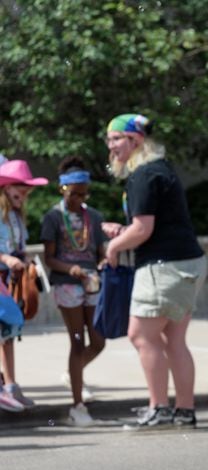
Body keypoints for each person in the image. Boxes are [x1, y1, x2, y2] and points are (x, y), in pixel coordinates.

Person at [102, 113, 207, 430]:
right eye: (109, 140)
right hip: (184, 263)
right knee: (174, 339)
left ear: (135, 140)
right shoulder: (159, 170)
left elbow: (143, 229)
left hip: (163, 267)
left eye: (116, 139)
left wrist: (114, 246)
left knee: (141, 335)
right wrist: (125, 232)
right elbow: (153, 225)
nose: (111, 147)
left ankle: (159, 408)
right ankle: (184, 411)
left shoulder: (143, 174)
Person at [40, 156, 106, 426]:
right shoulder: (53, 217)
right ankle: (77, 406)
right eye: (74, 193)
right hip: (67, 283)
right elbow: (49, 258)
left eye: (83, 193)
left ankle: (74, 372)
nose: (79, 198)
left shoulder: (95, 217)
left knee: (99, 340)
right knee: (77, 341)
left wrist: (101, 265)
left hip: (92, 282)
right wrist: (71, 270)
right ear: (63, 188)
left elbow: (101, 252)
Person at [0, 159, 48, 409]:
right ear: (7, 188)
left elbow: (17, 248)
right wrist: (5, 258)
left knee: (8, 334)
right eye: (22, 188)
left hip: (7, 282)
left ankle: (10, 385)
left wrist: (22, 258)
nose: (27, 194)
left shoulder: (16, 217)